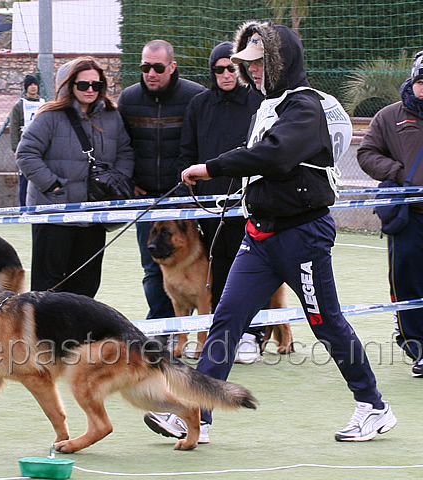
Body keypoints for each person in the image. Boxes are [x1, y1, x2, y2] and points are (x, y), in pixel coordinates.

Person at [144, 20, 396, 446]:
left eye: (259, 62)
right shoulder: (268, 106)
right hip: (258, 236)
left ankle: (373, 405)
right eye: (247, 63)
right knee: (225, 321)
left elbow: (275, 156)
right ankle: (196, 415)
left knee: (326, 323)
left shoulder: (305, 107)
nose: (251, 70)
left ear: (281, 62)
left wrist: (212, 167)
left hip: (303, 236)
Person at [16, 57, 134, 297]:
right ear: (70, 85)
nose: (90, 90)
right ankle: (46, 335)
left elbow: (125, 152)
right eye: (83, 85)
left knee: (86, 288)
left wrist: (117, 182)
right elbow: (26, 154)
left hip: (94, 215)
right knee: (47, 289)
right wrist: (53, 185)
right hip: (54, 215)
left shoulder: (112, 117)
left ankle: (80, 335)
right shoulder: (49, 116)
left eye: (96, 84)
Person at [178, 41, 265, 363]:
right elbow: (188, 152)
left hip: (249, 203)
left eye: (232, 68)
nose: (226, 74)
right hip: (210, 207)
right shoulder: (199, 104)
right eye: (219, 69)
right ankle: (222, 334)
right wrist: (189, 189)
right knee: (218, 268)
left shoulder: (259, 102)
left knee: (251, 269)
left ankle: (252, 334)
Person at [117, 39, 205, 325]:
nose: (150, 73)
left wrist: (194, 183)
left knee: (211, 262)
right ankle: (161, 327)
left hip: (188, 198)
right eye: (145, 67)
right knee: (153, 265)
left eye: (157, 67)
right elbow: (121, 146)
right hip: (147, 200)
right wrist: (128, 180)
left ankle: (217, 328)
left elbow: (203, 143)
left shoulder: (195, 96)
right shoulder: (128, 100)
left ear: (172, 66)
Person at [357, 51, 423, 378]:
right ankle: (417, 346)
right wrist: (397, 173)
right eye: (422, 81)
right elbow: (366, 154)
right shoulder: (389, 117)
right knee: (407, 278)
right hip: (408, 215)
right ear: (413, 81)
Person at [10, 74, 46, 206]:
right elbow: (13, 127)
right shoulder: (20, 105)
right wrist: (16, 148)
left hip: (42, 147)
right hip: (25, 147)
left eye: (35, 84)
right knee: (24, 179)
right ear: (26, 88)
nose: (33, 87)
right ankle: (24, 208)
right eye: (30, 85)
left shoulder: (44, 104)